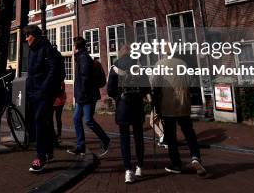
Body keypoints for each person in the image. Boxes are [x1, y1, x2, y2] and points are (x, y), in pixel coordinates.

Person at [151, 55, 207, 177]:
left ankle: (176, 164)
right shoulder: (182, 63)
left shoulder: (160, 64)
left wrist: (155, 104)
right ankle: (195, 157)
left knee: (171, 136)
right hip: (183, 104)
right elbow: (190, 81)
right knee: (189, 133)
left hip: (168, 105)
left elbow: (155, 85)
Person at [107, 44, 150, 184]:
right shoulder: (138, 65)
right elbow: (146, 88)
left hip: (123, 107)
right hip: (137, 106)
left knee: (124, 139)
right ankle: (139, 166)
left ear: (121, 54)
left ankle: (128, 170)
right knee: (139, 137)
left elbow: (110, 91)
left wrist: (118, 97)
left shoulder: (114, 67)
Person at [67, 36, 110, 157]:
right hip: (83, 96)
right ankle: (81, 147)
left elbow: (85, 78)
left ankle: (105, 139)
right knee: (76, 119)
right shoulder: (81, 57)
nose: (72, 48)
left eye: (73, 46)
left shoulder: (83, 58)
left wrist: (82, 94)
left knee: (88, 120)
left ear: (76, 47)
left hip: (87, 97)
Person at [24, 25, 59, 173]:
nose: (26, 39)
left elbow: (53, 71)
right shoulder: (32, 51)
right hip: (34, 93)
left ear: (35, 36)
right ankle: (49, 149)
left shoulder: (47, 50)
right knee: (44, 121)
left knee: (39, 120)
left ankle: (40, 157)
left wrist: (43, 89)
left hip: (45, 94)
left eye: (28, 36)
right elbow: (31, 73)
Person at [52, 81, 66, 147]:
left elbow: (61, 92)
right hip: (55, 101)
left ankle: (58, 135)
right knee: (54, 118)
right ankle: (56, 135)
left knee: (57, 118)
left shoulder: (60, 82)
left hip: (58, 101)